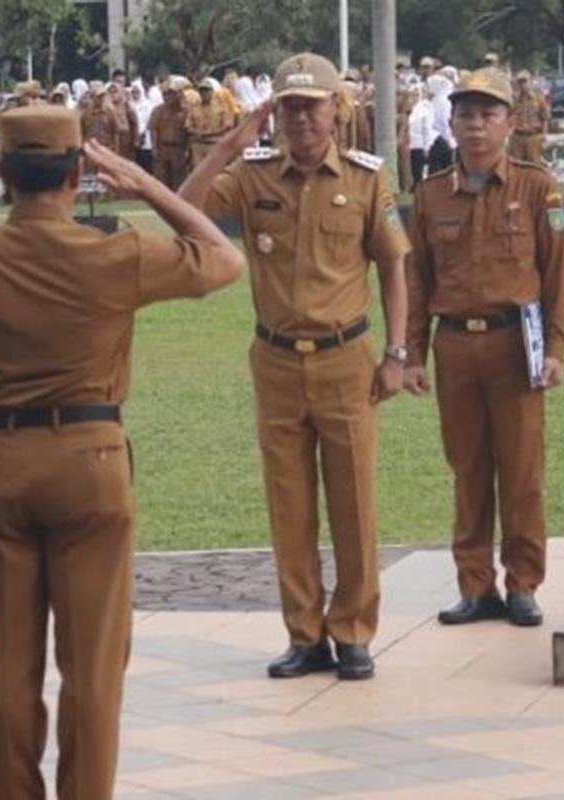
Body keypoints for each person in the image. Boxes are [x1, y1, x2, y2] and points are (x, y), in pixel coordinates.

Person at [0, 105, 243, 800]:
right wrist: (147, 186)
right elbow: (225, 258)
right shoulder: (113, 252)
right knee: (92, 666)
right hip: (92, 463)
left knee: (5, 665)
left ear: (2, 174)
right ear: (80, 174)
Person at [180, 52, 411, 681]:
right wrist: (228, 145)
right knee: (289, 505)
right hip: (276, 362)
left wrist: (397, 353)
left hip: (346, 359)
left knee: (354, 504)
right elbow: (186, 208)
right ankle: (304, 634)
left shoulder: (366, 179)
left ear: (338, 109)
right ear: (273, 112)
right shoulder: (253, 177)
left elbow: (393, 264)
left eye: (313, 104)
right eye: (289, 106)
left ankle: (354, 631)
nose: (302, 117)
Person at [403, 69, 564, 628]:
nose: (476, 126)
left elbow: (557, 275)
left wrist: (555, 348)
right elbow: (418, 279)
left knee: (522, 472)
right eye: (466, 115)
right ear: (450, 123)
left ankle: (522, 583)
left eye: (488, 115)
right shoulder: (430, 196)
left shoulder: (536, 187)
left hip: (515, 344)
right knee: (467, 468)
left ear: (509, 123)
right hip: (454, 346)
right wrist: (411, 354)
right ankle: (475, 586)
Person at [508, 71, 550, 164]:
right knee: (517, 167)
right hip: (517, 137)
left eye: (525, 81)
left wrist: (544, 135)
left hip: (533, 137)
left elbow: (545, 118)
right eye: (520, 82)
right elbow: (508, 117)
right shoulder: (513, 100)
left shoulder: (539, 98)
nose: (522, 85)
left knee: (534, 166)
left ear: (530, 82)